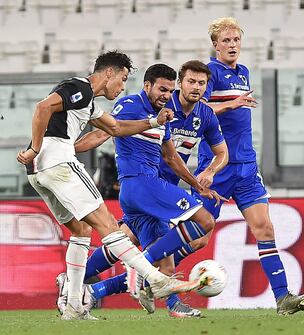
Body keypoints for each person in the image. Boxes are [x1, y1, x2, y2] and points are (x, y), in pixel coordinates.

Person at [16, 51, 204, 320]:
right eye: (123, 79)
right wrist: (35, 147)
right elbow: (42, 107)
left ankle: (73, 307)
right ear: (108, 74)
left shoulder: (88, 104)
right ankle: (156, 279)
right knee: (108, 225)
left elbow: (115, 128)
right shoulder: (78, 87)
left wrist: (153, 122)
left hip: (40, 171)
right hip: (57, 161)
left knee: (81, 231)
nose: (123, 86)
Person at [59, 61, 228, 318]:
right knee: (204, 220)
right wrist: (65, 150)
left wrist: (197, 186)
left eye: (169, 91)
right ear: (147, 85)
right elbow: (103, 134)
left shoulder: (164, 117)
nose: (166, 95)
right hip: (142, 184)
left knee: (163, 261)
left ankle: (171, 306)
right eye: (162, 89)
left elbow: (171, 158)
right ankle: (140, 267)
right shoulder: (130, 106)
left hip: (146, 191)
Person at [184, 17, 304, 315]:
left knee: (265, 228)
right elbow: (198, 109)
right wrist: (231, 104)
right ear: (215, 45)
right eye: (226, 41)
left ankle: (283, 299)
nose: (232, 45)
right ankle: (151, 277)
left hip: (246, 166)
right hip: (216, 167)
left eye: (236, 40)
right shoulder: (211, 73)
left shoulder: (243, 72)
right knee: (198, 237)